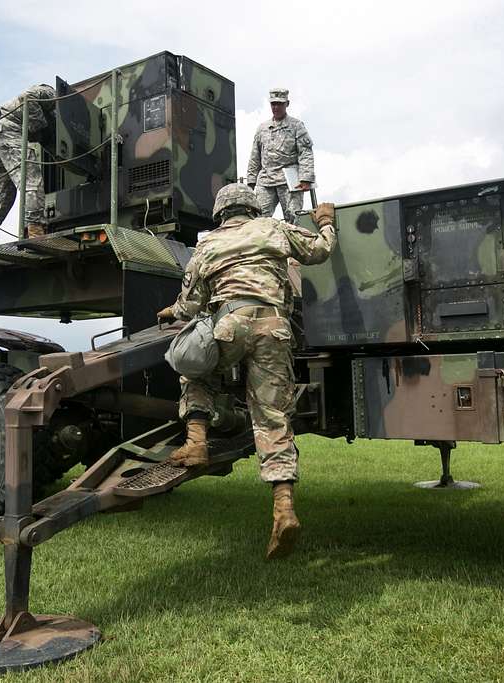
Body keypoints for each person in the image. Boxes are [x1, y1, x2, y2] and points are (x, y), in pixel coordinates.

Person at [157, 183, 337, 559]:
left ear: (220, 213)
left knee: (194, 367)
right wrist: (326, 222)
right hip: (274, 328)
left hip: (229, 325)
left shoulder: (207, 245)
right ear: (252, 208)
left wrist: (172, 312)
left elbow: (190, 303)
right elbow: (319, 251)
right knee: (273, 418)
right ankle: (283, 509)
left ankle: (196, 442)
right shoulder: (272, 229)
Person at [0, 84, 56, 248]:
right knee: (31, 181)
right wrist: (40, 125)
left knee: (4, 194)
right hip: (7, 133)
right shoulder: (51, 94)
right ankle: (35, 231)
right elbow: (28, 97)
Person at [246, 88, 316, 223]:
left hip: (289, 180)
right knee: (258, 219)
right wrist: (251, 182)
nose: (276, 107)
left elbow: (305, 152)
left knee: (293, 218)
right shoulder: (262, 128)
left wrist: (306, 178)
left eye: (279, 103)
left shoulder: (296, 126)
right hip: (266, 180)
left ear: (287, 104)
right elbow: (255, 156)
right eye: (273, 104)